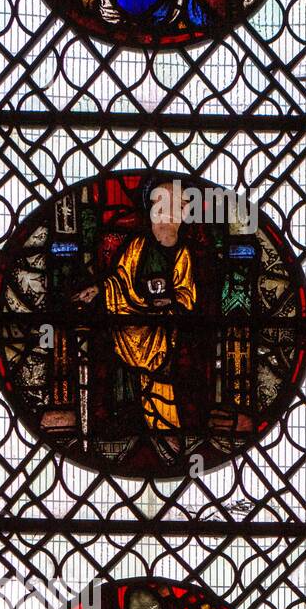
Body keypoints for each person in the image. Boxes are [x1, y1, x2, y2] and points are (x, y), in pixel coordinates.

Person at [74, 179, 196, 441]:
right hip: (130, 321)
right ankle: (128, 426)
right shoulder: (137, 246)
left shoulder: (183, 253)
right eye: (157, 205)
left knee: (162, 376)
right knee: (123, 367)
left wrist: (172, 304)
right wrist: (99, 289)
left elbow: (187, 293)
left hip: (162, 328)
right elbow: (120, 279)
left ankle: (164, 429)